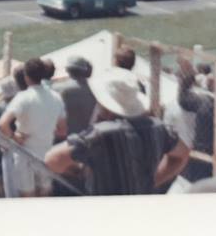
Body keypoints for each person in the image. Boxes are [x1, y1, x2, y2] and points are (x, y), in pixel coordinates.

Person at [44, 67, 190, 196]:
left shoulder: (99, 135)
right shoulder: (159, 128)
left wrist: (79, 170)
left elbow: (52, 160)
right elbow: (182, 155)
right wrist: (155, 179)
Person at [0, 58, 66, 197]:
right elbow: (62, 130)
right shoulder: (56, 97)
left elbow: (3, 124)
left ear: (26, 76)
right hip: (46, 153)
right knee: (45, 196)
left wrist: (15, 137)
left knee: (27, 198)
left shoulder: (23, 97)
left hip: (25, 155)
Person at [175, 55, 216, 182]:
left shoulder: (205, 102)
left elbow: (182, 99)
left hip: (202, 155)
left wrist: (188, 75)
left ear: (215, 84)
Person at [54, 56, 97, 136]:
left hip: (68, 137)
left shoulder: (60, 89)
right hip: (90, 135)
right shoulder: (96, 89)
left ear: (67, 70)